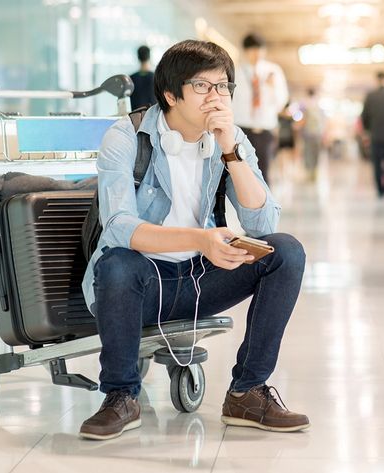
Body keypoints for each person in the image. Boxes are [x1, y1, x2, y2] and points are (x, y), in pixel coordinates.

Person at [80, 39, 309, 441]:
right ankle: (120, 395)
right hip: (140, 283)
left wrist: (230, 151)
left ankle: (246, 392)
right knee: (117, 262)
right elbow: (118, 227)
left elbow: (263, 220)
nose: (216, 97)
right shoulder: (126, 137)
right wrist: (201, 239)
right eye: (203, 87)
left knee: (286, 250)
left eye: (223, 87)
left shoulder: (230, 136)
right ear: (171, 94)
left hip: (201, 278)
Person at [232, 33, 289, 185]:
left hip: (265, 129)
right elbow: (230, 101)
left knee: (263, 171)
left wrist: (272, 88)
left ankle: (264, 206)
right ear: (245, 51)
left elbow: (281, 102)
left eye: (260, 50)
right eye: (253, 50)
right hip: (241, 129)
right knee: (240, 170)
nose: (257, 54)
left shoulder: (273, 71)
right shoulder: (236, 72)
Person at [301, 88, 324, 181]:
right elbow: (323, 121)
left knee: (308, 152)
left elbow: (303, 120)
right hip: (317, 134)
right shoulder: (319, 106)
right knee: (316, 153)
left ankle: (309, 173)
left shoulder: (305, 105)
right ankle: (315, 172)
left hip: (308, 133)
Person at [129, 45, 156, 110]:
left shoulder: (131, 79)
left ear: (138, 57)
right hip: (153, 117)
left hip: (135, 117)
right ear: (149, 57)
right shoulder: (156, 78)